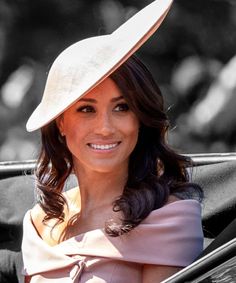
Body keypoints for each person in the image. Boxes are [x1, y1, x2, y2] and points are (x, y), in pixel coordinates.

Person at [21, 0, 204, 282]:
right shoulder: (38, 222)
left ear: (141, 117)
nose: (105, 128)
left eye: (122, 107)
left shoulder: (169, 219)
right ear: (60, 122)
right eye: (86, 109)